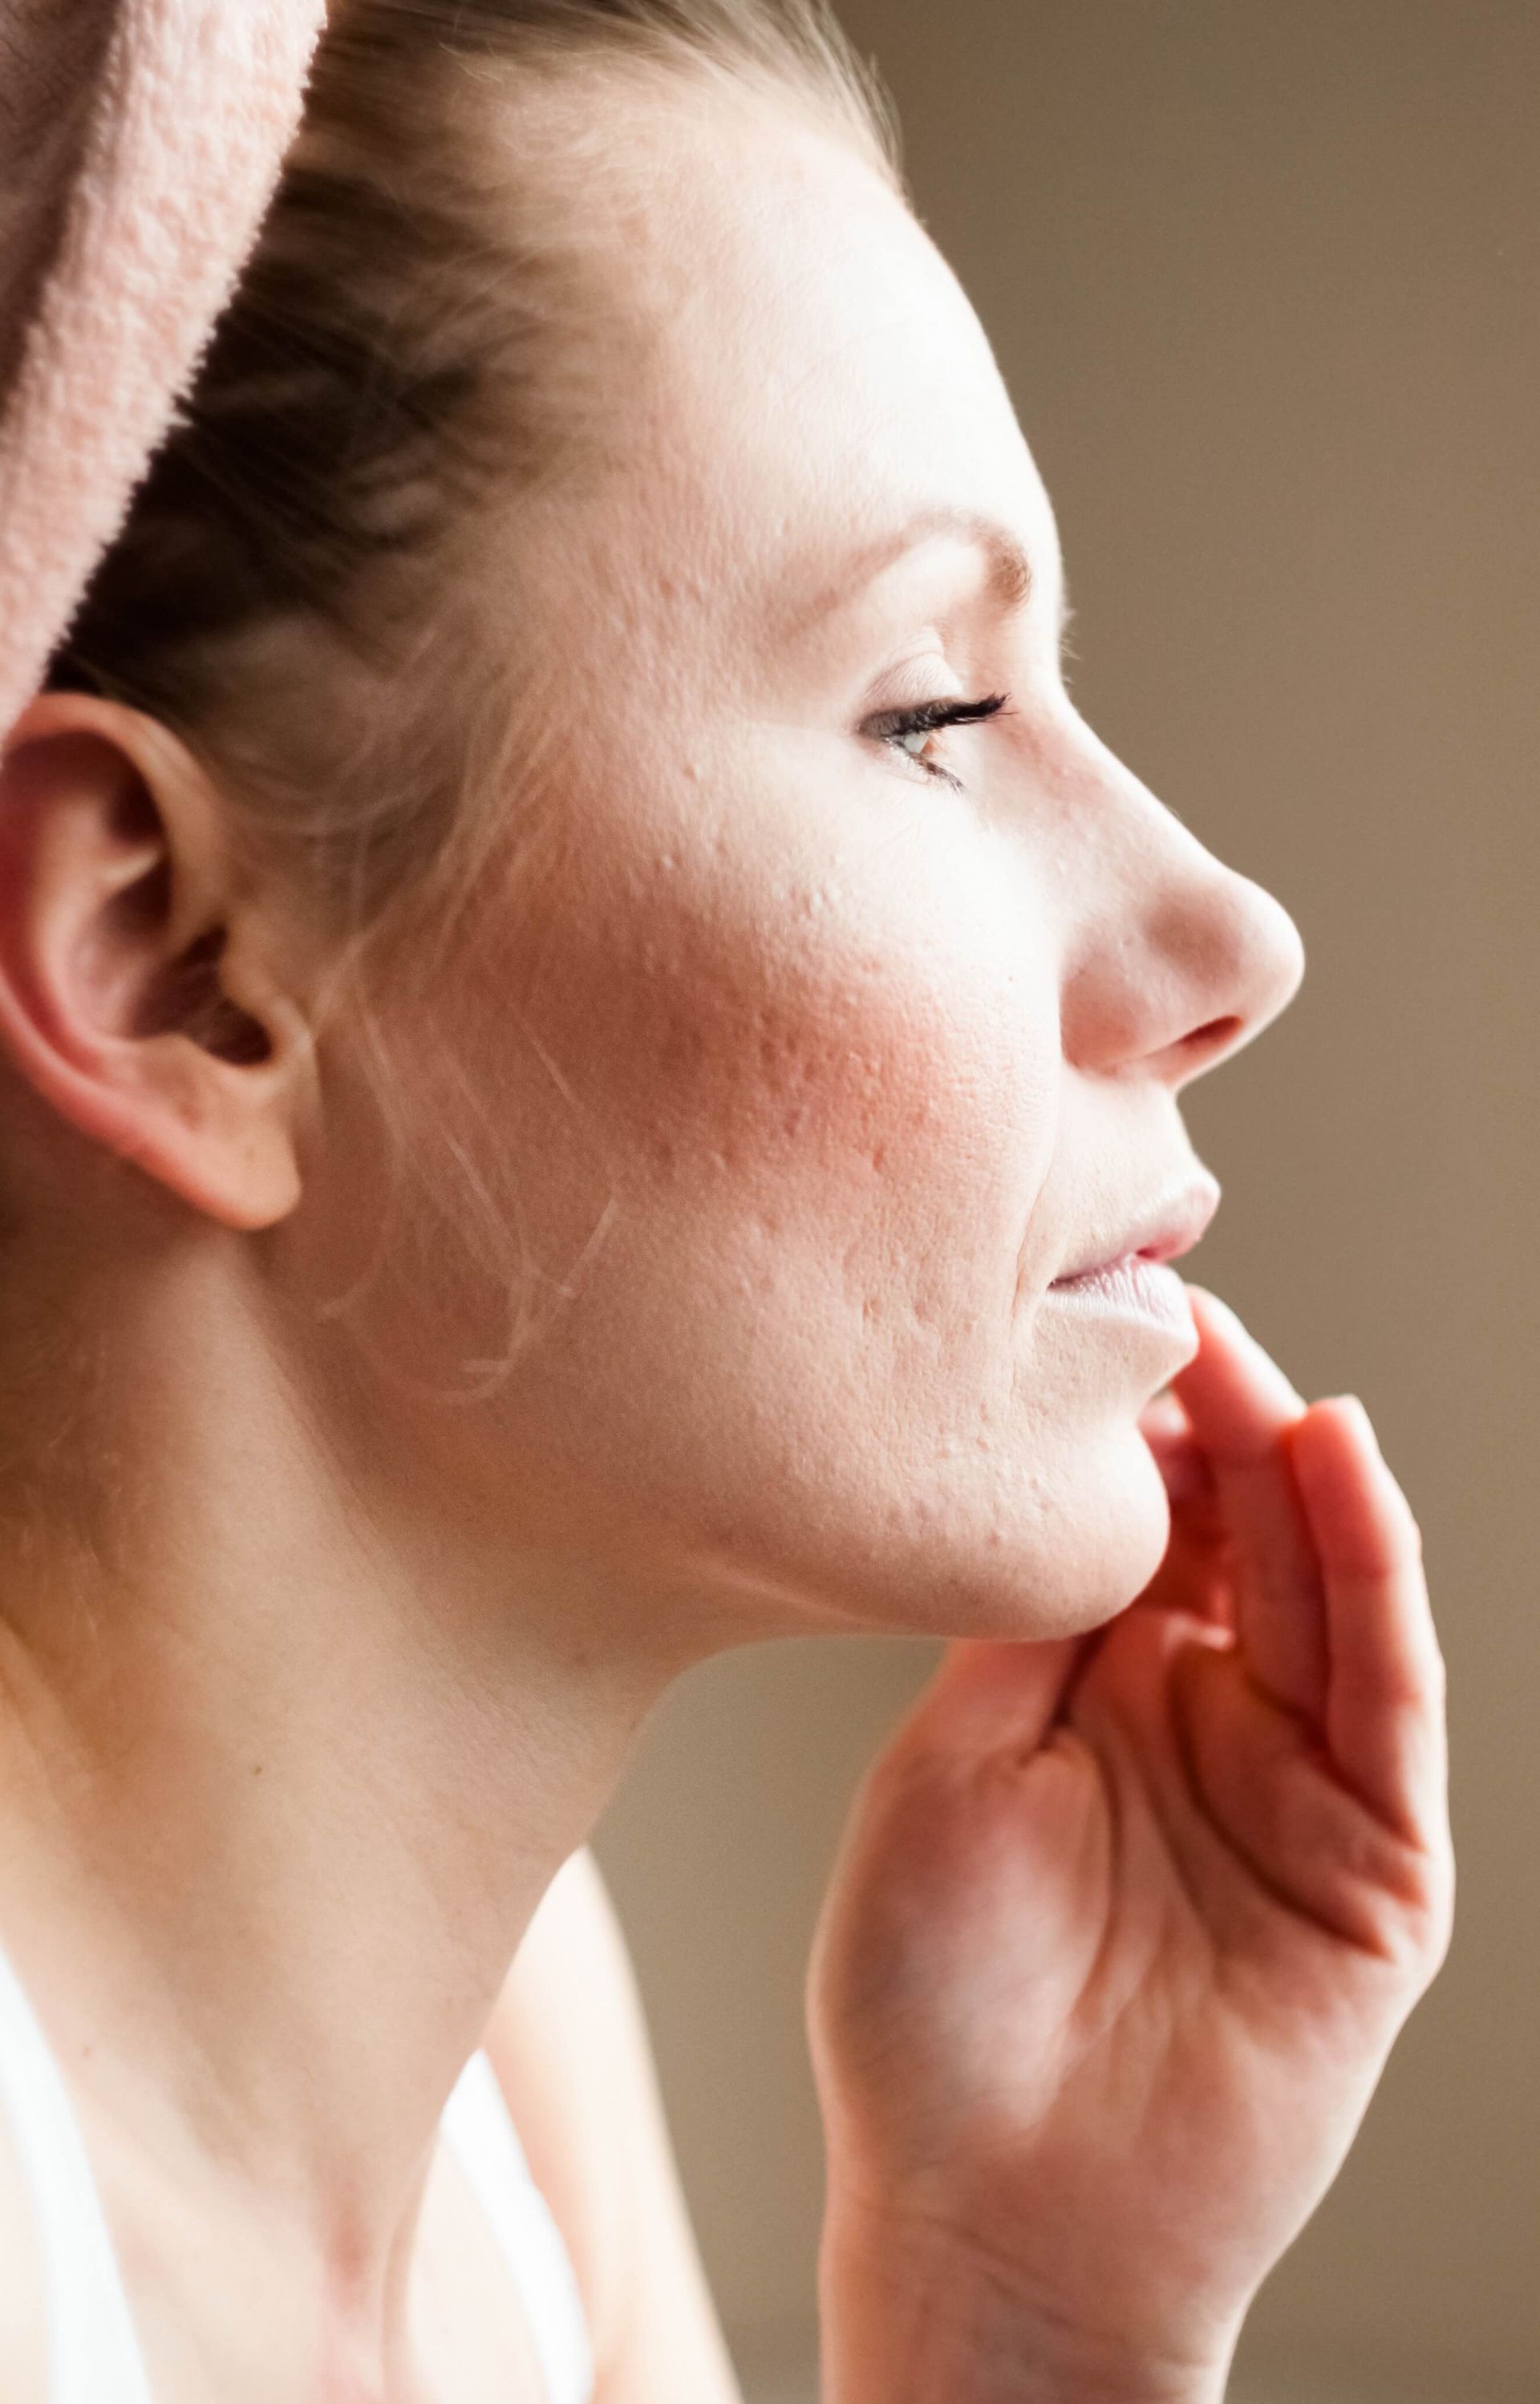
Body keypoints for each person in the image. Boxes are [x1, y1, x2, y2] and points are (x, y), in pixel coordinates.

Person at [0, 2, 1452, 2398]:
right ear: (165, 960)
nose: (1232, 939)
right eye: (929, 714)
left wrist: (1027, 2319)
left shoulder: (505, 2084)